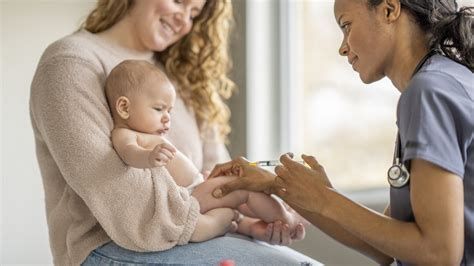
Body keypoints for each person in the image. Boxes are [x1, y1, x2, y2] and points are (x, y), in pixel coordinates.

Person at [29, 0, 315, 265]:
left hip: (193, 231)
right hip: (112, 248)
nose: (183, 21)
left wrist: (248, 225)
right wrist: (212, 217)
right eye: (179, 0)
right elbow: (134, 216)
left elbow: (217, 178)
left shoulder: (182, 78)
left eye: (193, 13)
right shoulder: (72, 64)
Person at [211, 0, 474, 265]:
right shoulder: (447, 81)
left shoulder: (428, 93)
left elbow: (438, 253)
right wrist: (275, 183)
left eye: (347, 25)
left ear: (389, 10)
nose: (343, 47)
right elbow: (386, 247)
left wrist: (326, 198)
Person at [105, 59, 300, 239]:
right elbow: (128, 153)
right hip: (188, 196)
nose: (167, 118)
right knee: (244, 187)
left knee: (237, 197)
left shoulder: (151, 135)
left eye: (169, 111)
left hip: (196, 187)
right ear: (124, 107)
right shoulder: (125, 134)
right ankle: (286, 220)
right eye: (158, 109)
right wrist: (148, 156)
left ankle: (250, 225)